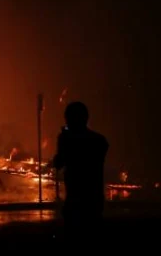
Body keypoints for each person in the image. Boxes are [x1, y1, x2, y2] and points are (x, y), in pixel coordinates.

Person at [52, 101, 109, 240]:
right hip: (94, 200)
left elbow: (59, 162)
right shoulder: (99, 140)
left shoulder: (68, 140)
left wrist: (63, 141)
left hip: (76, 200)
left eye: (68, 119)